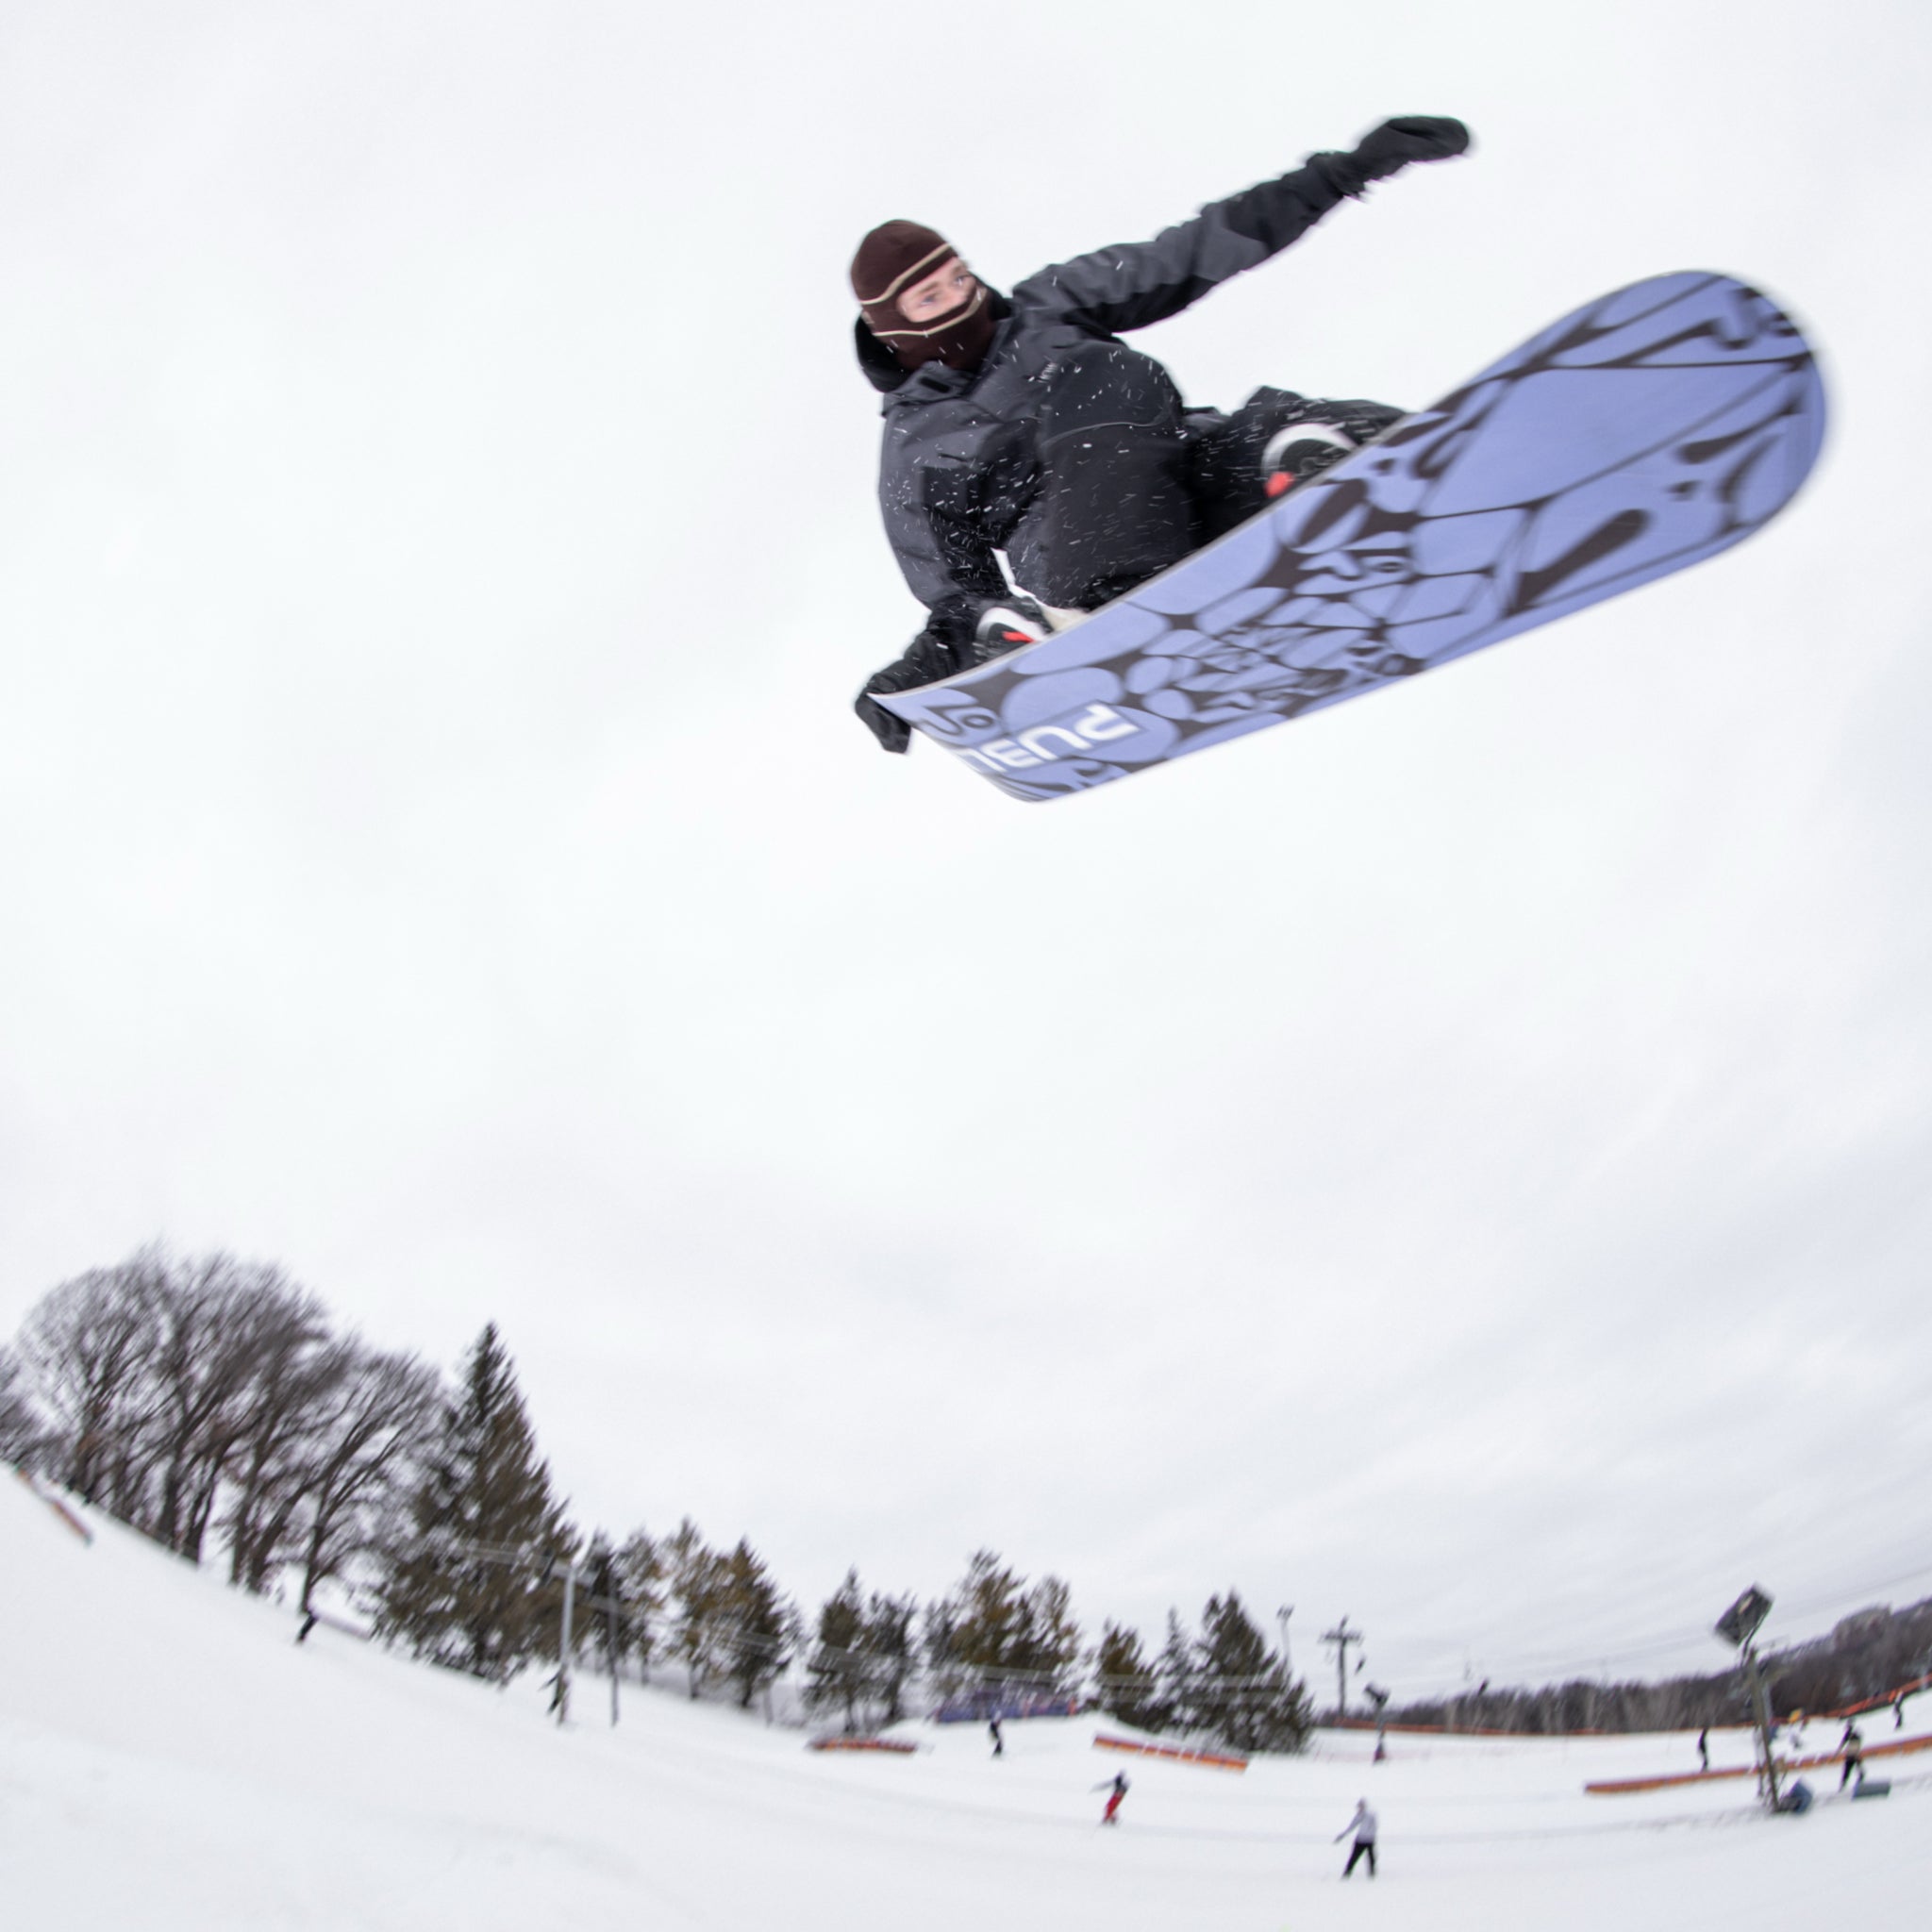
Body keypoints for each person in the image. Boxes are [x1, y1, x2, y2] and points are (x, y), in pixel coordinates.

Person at [847, 117, 1474, 752]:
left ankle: (1356, 476)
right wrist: (922, 681)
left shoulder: (1048, 307)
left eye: (961, 277)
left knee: (1296, 432)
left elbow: (1193, 250)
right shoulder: (916, 451)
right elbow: (960, 598)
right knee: (1102, 372)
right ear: (896, 332)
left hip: (1192, 485)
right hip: (1090, 563)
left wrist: (1341, 173)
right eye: (933, 298)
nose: (963, 298)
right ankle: (1134, 602)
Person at [1336, 1796, 1377, 1878]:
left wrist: (1342, 1836)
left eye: (1360, 1806)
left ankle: (1371, 1875)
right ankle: (1348, 1873)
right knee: (1357, 1857)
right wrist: (1342, 1835)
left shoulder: (1368, 1815)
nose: (1359, 1808)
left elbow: (1373, 1827)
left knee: (1367, 1858)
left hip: (1367, 1840)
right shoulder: (1361, 1815)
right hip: (1362, 1840)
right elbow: (1351, 1827)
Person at [1840, 1721, 1863, 1790]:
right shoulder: (1849, 1734)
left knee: (1850, 1769)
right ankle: (1844, 1783)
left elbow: (1857, 1742)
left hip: (1853, 1754)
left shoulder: (1855, 1734)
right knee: (1849, 1770)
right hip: (1852, 1754)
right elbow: (1843, 1743)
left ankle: (1845, 1783)